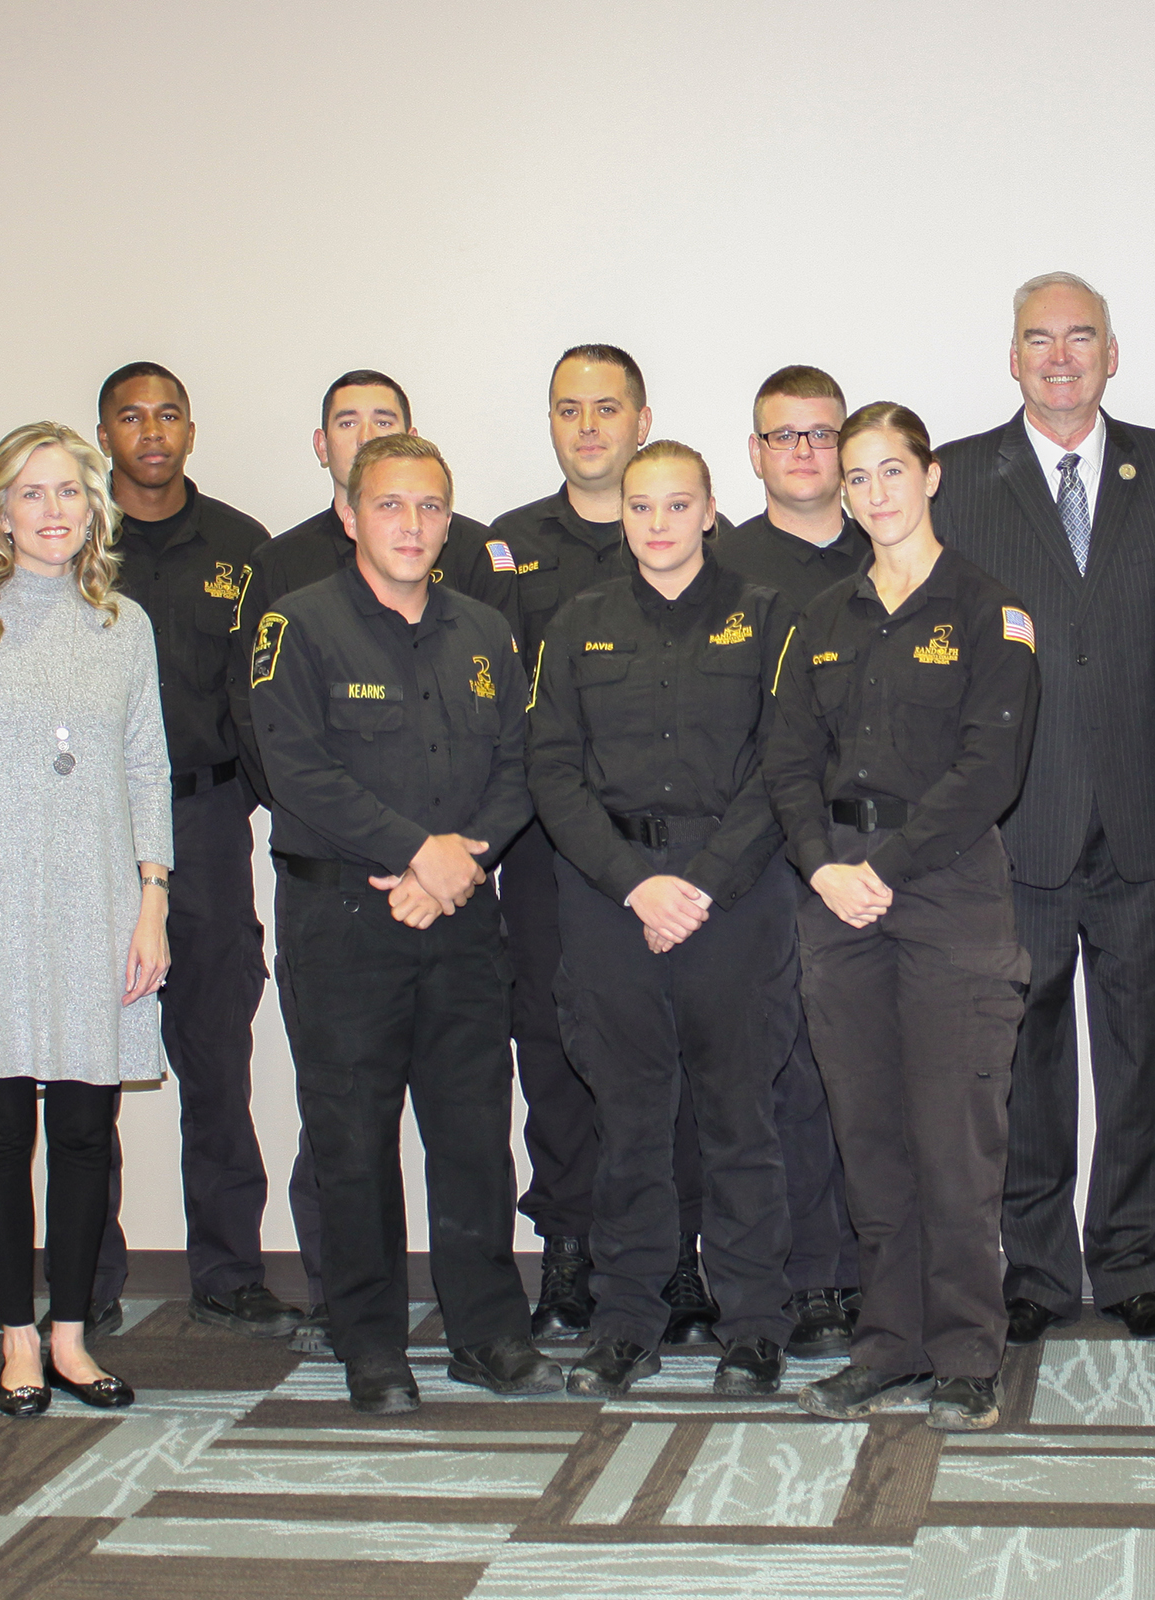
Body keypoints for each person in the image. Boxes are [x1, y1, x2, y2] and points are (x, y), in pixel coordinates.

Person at [250, 431, 562, 1412]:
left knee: (473, 1132)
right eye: (391, 505)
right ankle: (370, 1339)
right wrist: (413, 848)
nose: (414, 525)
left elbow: (523, 764)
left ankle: (486, 1330)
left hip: (463, 913)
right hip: (342, 917)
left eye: (430, 506)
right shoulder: (295, 627)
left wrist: (458, 859)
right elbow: (296, 769)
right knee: (351, 1136)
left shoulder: (483, 630)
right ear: (348, 514)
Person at [934, 273, 1155, 1347]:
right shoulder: (959, 475)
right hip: (1020, 819)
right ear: (1011, 357)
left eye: (1080, 337)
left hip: (1144, 811)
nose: (1059, 356)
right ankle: (1038, 1271)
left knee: (1141, 1051)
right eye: (1038, 339)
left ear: (1111, 353)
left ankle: (1136, 1260)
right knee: (1027, 1057)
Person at [764, 402, 1039, 1433]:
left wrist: (885, 863)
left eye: (891, 472)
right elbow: (787, 763)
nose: (874, 495)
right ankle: (889, 1345)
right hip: (839, 898)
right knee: (868, 1136)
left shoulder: (989, 610)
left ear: (930, 478)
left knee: (954, 1138)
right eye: (857, 479)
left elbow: (991, 770)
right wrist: (828, 867)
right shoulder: (823, 617)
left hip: (949, 891)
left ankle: (968, 1350)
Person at [0, 421, 171, 1418]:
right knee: (5, 1125)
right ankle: (15, 1333)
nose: (54, 511)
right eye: (34, 492)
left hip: (99, 905)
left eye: (70, 492)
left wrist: (152, 904)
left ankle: (71, 1334)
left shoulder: (122, 624)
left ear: (91, 508)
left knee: (87, 1133)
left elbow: (149, 769)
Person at [529, 440, 801, 1398]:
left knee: (741, 1122)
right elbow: (552, 773)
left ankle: (755, 1325)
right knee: (631, 1125)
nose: (656, 524)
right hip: (612, 900)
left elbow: (786, 768)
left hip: (736, 899)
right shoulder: (579, 623)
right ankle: (627, 1322)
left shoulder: (769, 620)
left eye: (676, 506)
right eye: (640, 508)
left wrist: (704, 884)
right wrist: (636, 886)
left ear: (710, 509)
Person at [491, 345, 728, 1345]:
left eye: (606, 408)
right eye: (566, 409)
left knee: (675, 1058)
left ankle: (676, 1256)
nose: (586, 426)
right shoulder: (508, 546)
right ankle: (574, 1253)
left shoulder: (695, 550)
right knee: (558, 1055)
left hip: (683, 863)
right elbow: (501, 710)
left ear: (642, 420)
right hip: (556, 855)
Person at [84, 360, 297, 1341]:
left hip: (205, 826)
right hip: (90, 833)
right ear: (107, 433)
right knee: (85, 1063)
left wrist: (243, 801)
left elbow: (261, 697)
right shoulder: (70, 539)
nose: (152, 431)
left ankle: (228, 1269)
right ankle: (85, 1279)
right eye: (132, 417)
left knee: (218, 1056)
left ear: (191, 429)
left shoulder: (241, 547)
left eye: (167, 414)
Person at [715, 363, 868, 1359]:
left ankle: (882, 1265)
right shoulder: (724, 565)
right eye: (784, 436)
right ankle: (812, 1276)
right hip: (765, 856)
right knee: (790, 1075)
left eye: (821, 435)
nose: (804, 453)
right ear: (756, 452)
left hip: (882, 852)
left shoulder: (896, 550)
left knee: (878, 1068)